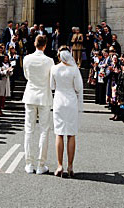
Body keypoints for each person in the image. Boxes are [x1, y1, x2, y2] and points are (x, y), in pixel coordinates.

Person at [22, 34, 55, 175]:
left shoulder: (27, 59)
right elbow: (51, 80)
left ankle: (29, 164)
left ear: (35, 44)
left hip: (30, 95)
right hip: (44, 96)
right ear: (45, 45)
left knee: (29, 130)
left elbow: (26, 76)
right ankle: (41, 165)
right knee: (44, 130)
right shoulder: (50, 61)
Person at [52, 47, 83, 177]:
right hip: (70, 101)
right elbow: (78, 87)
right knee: (71, 134)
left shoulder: (54, 68)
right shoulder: (74, 69)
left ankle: (60, 165)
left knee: (59, 133)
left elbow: (52, 86)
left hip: (59, 100)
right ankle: (70, 166)